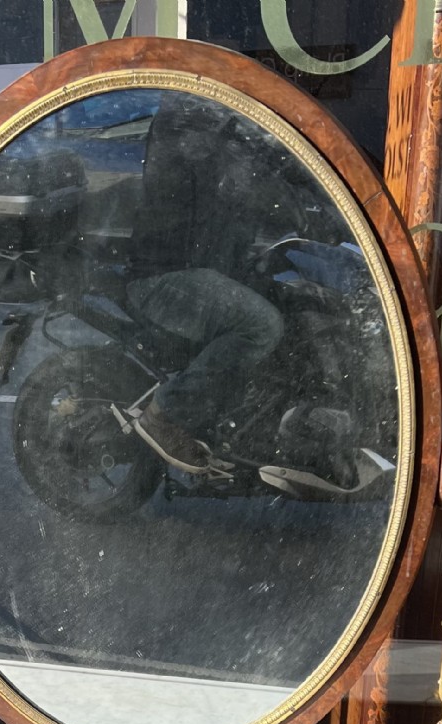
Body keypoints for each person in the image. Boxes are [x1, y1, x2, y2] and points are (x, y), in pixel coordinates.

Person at [123, 93, 301, 475]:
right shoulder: (185, 119)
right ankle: (165, 414)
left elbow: (265, 158)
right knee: (260, 326)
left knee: (297, 300)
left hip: (209, 265)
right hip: (164, 276)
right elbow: (239, 168)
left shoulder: (213, 119)